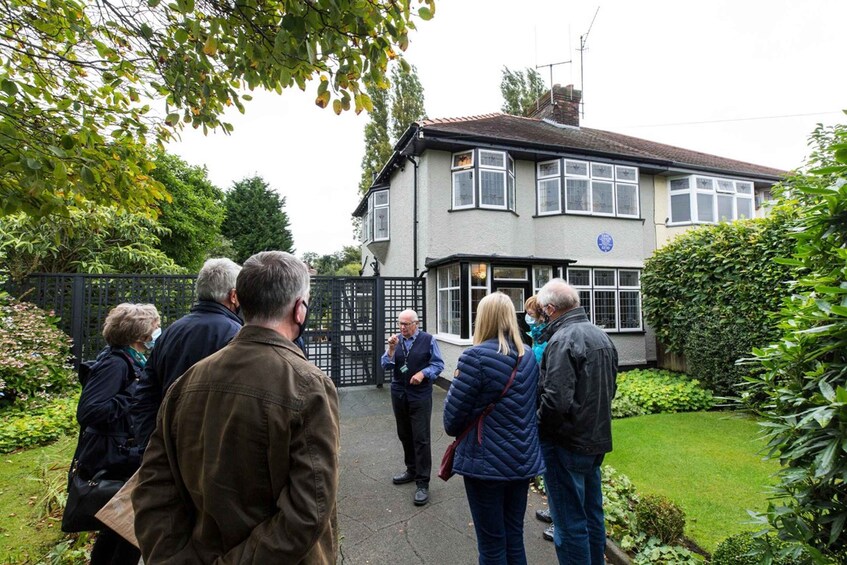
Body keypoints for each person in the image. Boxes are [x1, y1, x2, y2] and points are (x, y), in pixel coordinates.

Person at [132, 251, 340, 563]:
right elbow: (309, 511)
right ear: (300, 310)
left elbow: (153, 491)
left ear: (239, 300)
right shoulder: (308, 386)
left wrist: (172, 558)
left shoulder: (186, 383)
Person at [443, 292, 545, 565]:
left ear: (482, 319)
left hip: (485, 462)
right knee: (514, 536)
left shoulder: (473, 358)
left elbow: (451, 421)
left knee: (491, 543)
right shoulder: (527, 358)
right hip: (521, 461)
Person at [536, 278, 618, 564]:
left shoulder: (561, 340)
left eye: (541, 311)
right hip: (595, 441)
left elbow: (554, 401)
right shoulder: (601, 336)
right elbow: (612, 389)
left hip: (566, 444)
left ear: (550, 309)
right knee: (593, 515)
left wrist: (538, 429)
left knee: (569, 522)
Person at [75, 302, 160, 565]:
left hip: (122, 453)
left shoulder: (131, 359)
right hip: (115, 457)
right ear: (140, 335)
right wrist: (132, 393)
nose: (159, 332)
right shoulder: (116, 364)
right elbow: (90, 411)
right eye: (156, 327)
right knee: (126, 529)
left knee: (118, 529)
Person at [132, 257, 243, 449]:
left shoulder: (173, 331)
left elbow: (146, 392)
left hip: (167, 444)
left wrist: (149, 446)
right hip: (210, 450)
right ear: (233, 296)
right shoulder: (237, 333)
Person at [381, 309, 444, 506]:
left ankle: (423, 483)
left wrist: (423, 374)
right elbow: (385, 364)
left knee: (421, 438)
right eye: (400, 324)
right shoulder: (396, 340)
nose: (402, 328)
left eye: (406, 324)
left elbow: (438, 364)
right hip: (399, 393)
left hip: (420, 395)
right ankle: (411, 470)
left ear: (415, 324)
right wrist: (391, 350)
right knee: (404, 433)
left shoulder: (428, 340)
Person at [525, 294, 555, 540]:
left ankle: (561, 520)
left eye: (531, 314)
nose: (527, 318)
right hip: (537, 399)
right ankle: (555, 509)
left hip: (547, 405)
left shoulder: (550, 339)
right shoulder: (539, 336)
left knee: (557, 465)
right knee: (548, 462)